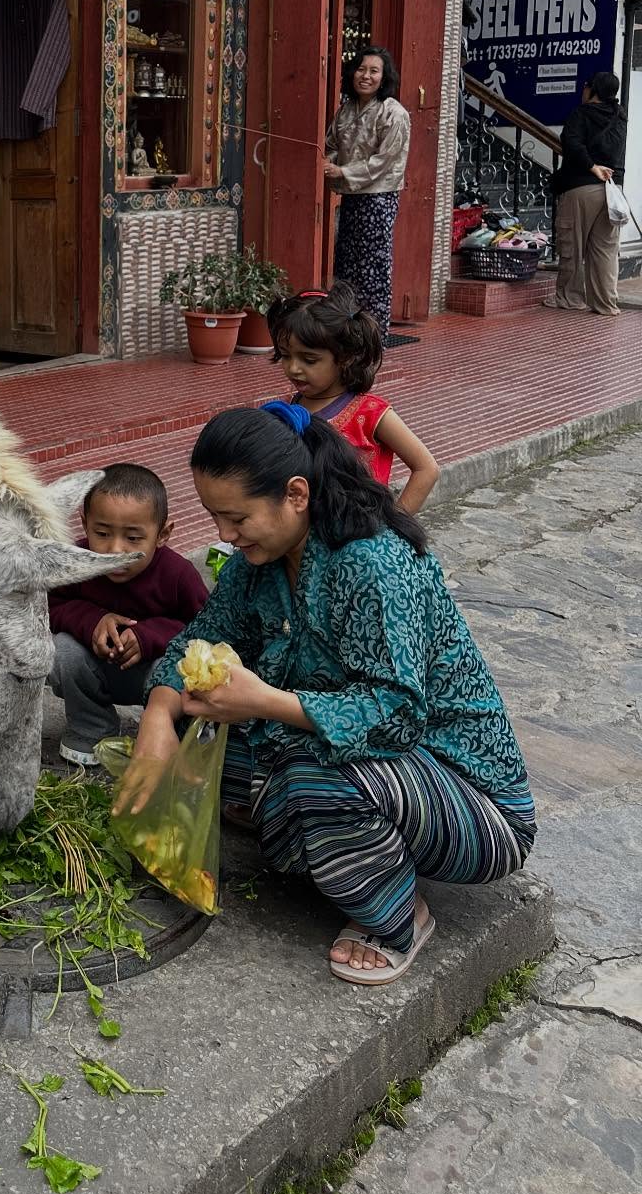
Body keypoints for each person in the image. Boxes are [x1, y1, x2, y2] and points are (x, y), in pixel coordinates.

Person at [115, 404, 534, 986]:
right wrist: (158, 718)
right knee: (188, 737)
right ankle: (305, 822)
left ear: (295, 493)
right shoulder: (254, 564)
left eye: (236, 517)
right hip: (363, 760)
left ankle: (396, 917)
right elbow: (194, 643)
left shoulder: (371, 562)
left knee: (312, 777)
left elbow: (397, 717)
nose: (224, 535)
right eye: (215, 517)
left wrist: (264, 702)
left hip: (470, 801)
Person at [48, 463, 209, 768]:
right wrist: (94, 620)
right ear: (85, 525)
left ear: (163, 534)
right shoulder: (76, 563)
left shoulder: (178, 575)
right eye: (102, 533)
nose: (116, 550)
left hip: (155, 678)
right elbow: (52, 608)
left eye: (134, 538)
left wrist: (149, 636)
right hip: (96, 670)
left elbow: (205, 628)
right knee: (63, 649)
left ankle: (170, 729)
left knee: (183, 664)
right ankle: (91, 726)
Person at [268, 284, 439, 511]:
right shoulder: (293, 406)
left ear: (346, 357)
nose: (294, 368)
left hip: (360, 536)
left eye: (309, 360)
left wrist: (395, 528)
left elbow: (426, 468)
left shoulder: (371, 413)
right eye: (286, 356)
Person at [323, 46, 411, 338]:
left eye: (374, 71)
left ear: (384, 77)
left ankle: (374, 333)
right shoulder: (346, 110)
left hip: (378, 197)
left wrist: (344, 172)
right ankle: (348, 329)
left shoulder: (394, 112)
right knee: (347, 262)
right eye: (361, 69)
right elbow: (333, 145)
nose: (366, 76)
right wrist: (330, 163)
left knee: (372, 265)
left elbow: (383, 161)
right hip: (352, 196)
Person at [546, 72, 627, 316]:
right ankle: (605, 304)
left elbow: (571, 144)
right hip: (612, 191)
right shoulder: (620, 116)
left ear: (594, 91)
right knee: (605, 250)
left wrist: (592, 167)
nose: (583, 90)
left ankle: (570, 298)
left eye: (586, 86)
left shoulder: (581, 114)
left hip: (581, 188)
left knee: (572, 245)